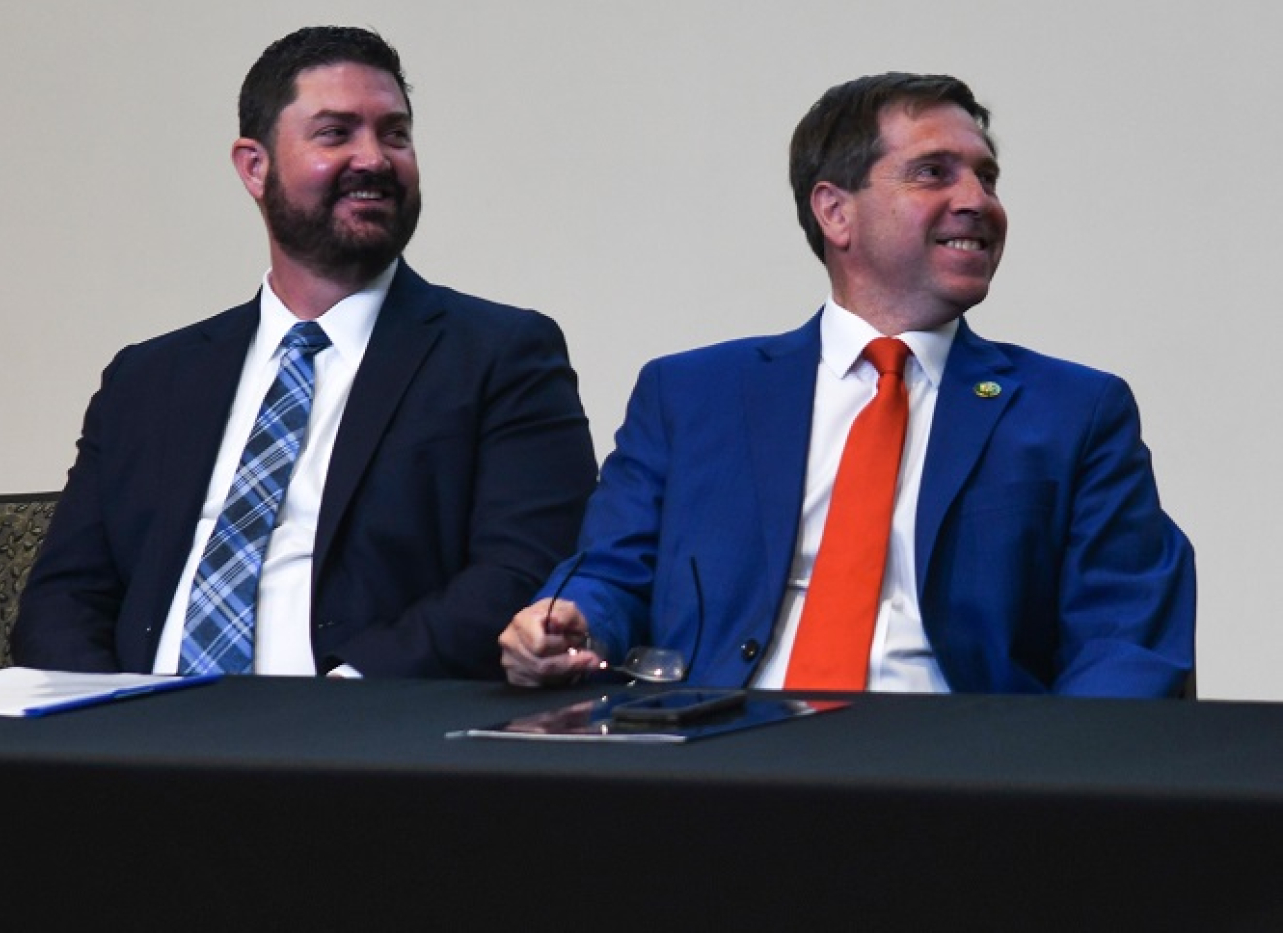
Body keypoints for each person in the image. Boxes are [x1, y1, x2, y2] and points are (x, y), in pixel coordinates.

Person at [500, 72, 1195, 696]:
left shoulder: (1074, 411)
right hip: (719, 760)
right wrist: (570, 622)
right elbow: (612, 572)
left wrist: (1049, 792)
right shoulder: (691, 394)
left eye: (988, 177)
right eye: (934, 173)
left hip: (964, 780)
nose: (977, 200)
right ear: (835, 211)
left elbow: (1124, 637)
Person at [13, 25, 597, 679]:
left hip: (357, 742)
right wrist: (98, 721)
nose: (375, 158)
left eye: (395, 133)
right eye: (336, 132)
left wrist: (338, 701)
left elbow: (523, 571)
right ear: (253, 166)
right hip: (133, 741)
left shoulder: (499, 356)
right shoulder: (149, 378)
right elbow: (62, 598)